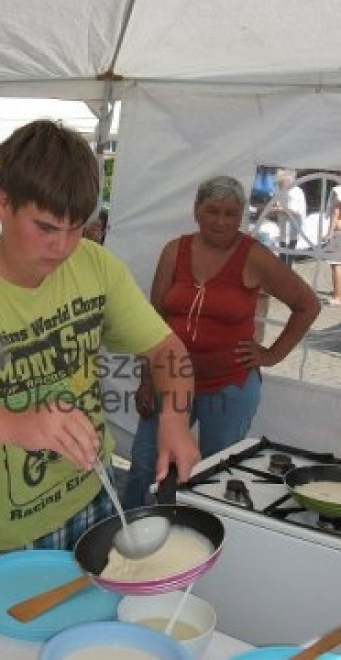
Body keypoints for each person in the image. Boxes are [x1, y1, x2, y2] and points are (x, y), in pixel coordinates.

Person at [0, 120, 200, 552]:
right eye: (46, 227)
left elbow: (165, 349)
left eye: (76, 228)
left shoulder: (95, 264)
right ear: (4, 204)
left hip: (96, 490)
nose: (62, 247)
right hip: (18, 530)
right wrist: (14, 425)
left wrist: (174, 421)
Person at [123, 175, 320, 509]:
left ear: (241, 216)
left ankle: (202, 530)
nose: (221, 221)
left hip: (229, 386)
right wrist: (146, 378)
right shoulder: (174, 251)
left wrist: (272, 355)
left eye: (231, 214)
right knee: (145, 464)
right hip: (170, 379)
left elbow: (307, 305)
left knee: (214, 472)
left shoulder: (254, 256)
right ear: (196, 210)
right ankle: (129, 525)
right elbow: (153, 320)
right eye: (212, 211)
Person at [270, 169, 307, 268]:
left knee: (289, 254)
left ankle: (287, 272)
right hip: (283, 226)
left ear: (287, 181)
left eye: (280, 183)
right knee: (282, 253)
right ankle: (282, 273)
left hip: (293, 227)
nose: (278, 185)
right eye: (278, 183)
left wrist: (277, 209)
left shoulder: (295, 192)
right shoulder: (280, 190)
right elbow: (276, 202)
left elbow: (294, 211)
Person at [322, 183, 341, 305]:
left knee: (336, 264)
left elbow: (335, 212)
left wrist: (329, 233)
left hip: (339, 231)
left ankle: (337, 296)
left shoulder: (338, 190)